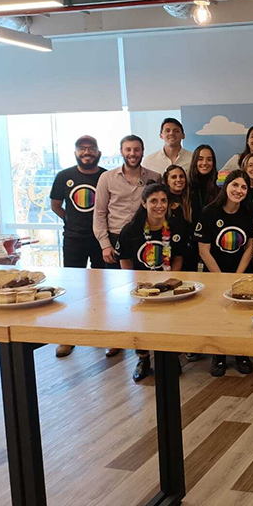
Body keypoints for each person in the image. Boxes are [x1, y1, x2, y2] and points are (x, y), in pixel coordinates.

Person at [93, 135, 160, 357]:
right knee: (117, 295)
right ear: (121, 151)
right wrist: (105, 245)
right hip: (114, 241)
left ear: (143, 151)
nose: (133, 153)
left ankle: (149, 338)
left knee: (147, 293)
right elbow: (99, 213)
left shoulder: (154, 177)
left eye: (137, 149)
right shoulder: (107, 178)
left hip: (146, 241)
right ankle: (118, 339)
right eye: (128, 150)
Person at [116, 183, 189, 382]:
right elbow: (124, 258)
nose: (159, 205)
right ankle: (143, 359)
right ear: (143, 203)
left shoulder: (176, 228)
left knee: (169, 321)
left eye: (163, 201)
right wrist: (133, 284)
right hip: (141, 287)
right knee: (140, 323)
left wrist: (170, 282)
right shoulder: (131, 230)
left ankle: (170, 356)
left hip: (167, 284)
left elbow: (178, 257)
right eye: (154, 201)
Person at [49, 135, 107, 358]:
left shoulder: (105, 176)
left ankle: (105, 334)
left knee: (103, 289)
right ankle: (69, 337)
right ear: (75, 152)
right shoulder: (64, 176)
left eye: (91, 148)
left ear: (98, 152)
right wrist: (71, 220)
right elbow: (55, 205)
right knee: (72, 289)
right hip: (74, 239)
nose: (86, 152)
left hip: (101, 239)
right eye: (82, 149)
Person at [196, 170, 253, 377]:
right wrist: (221, 277)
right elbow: (203, 250)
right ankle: (218, 355)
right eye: (235, 185)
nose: (239, 191)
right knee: (218, 315)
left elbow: (250, 246)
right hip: (215, 272)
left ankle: (241, 353)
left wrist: (237, 276)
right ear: (226, 186)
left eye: (244, 187)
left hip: (240, 272)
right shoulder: (209, 212)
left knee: (241, 315)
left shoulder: (249, 212)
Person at [187, 145, 220, 270]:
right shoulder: (187, 184)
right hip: (190, 241)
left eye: (209, 159)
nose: (205, 163)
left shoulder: (220, 185)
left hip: (212, 242)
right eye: (200, 159)